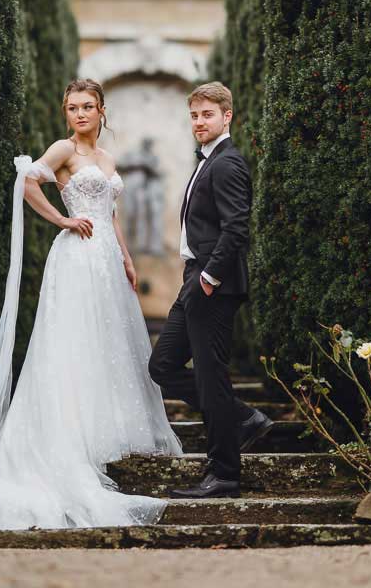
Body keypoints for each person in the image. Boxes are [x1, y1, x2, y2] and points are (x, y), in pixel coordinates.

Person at [0, 78, 182, 531]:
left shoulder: (108, 159)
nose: (79, 114)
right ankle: (66, 434)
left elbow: (112, 214)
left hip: (105, 261)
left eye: (87, 107)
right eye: (73, 107)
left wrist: (126, 258)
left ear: (102, 112)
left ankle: (96, 428)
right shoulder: (64, 150)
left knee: (102, 344)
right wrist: (61, 218)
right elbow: (27, 182)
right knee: (71, 342)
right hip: (76, 258)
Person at [149, 81, 272, 499]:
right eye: (195, 115)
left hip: (211, 284)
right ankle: (241, 418)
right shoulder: (208, 161)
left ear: (227, 116)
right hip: (195, 278)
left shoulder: (227, 163)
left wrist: (209, 277)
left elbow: (237, 226)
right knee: (162, 367)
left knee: (210, 376)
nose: (199, 122)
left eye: (207, 115)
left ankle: (225, 475)